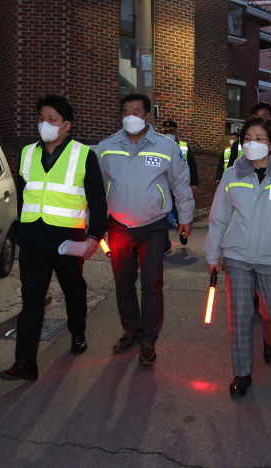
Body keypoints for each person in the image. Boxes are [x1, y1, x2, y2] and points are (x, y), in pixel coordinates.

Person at [0, 94, 106, 381]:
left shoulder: (84, 155)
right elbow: (23, 195)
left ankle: (78, 331)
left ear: (66, 125)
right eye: (41, 118)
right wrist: (21, 228)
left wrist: (95, 236)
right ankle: (25, 362)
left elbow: (97, 199)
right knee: (31, 300)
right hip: (33, 239)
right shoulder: (27, 153)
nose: (44, 124)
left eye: (52, 119)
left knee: (73, 290)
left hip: (67, 240)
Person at [204, 117, 271, 397]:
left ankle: (270, 338)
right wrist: (213, 253)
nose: (252, 144)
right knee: (239, 317)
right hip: (238, 256)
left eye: (259, 138)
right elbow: (218, 217)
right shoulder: (232, 176)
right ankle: (242, 373)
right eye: (247, 138)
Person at [97, 93, 195, 366]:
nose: (131, 116)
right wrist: (93, 223)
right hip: (118, 226)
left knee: (152, 283)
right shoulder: (105, 148)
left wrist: (185, 219)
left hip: (153, 226)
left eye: (137, 111)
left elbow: (180, 185)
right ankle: (131, 329)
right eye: (126, 111)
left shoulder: (166, 147)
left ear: (148, 116)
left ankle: (149, 338)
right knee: (123, 283)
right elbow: (95, 188)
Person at [160, 120, 198, 255]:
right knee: (162, 217)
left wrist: (193, 183)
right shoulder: (159, 146)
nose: (168, 134)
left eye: (170, 131)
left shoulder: (184, 146)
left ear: (176, 132)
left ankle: (182, 232)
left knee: (178, 212)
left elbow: (192, 165)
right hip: (164, 188)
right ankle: (165, 244)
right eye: (166, 131)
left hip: (179, 186)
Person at [225, 102, 271, 170]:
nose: (260, 120)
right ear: (251, 119)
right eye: (257, 117)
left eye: (264, 117)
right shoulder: (238, 144)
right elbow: (231, 172)